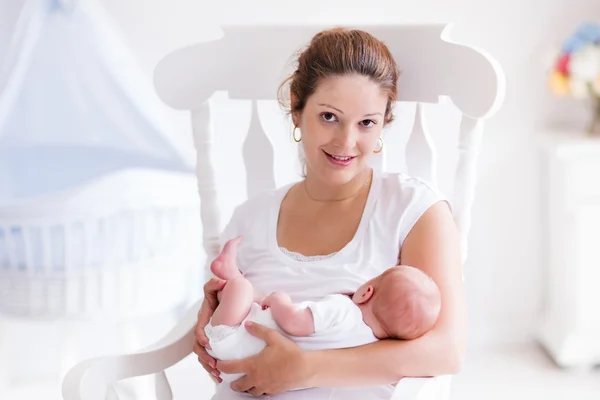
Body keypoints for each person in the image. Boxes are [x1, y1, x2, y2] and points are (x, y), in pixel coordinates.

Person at [193, 27, 466, 399]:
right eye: (329, 117)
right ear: (297, 107)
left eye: (366, 122)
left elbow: (445, 351)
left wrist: (302, 370)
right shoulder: (250, 219)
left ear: (384, 121)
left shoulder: (413, 209)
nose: (346, 141)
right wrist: (210, 321)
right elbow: (228, 329)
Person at [204, 236, 442, 384]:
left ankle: (231, 275)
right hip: (246, 365)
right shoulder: (366, 343)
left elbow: (295, 323)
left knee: (242, 287)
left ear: (367, 292)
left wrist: (280, 301)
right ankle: (230, 275)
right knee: (254, 296)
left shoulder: (343, 310)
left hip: (234, 338)